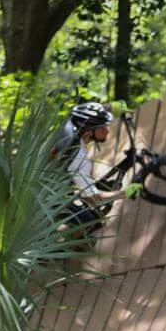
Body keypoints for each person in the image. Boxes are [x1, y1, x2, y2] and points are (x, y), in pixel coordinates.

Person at [52, 101, 116, 238]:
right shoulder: (77, 156)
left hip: (40, 189)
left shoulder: (67, 131)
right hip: (45, 200)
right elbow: (94, 198)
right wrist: (124, 193)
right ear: (88, 132)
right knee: (86, 219)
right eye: (102, 127)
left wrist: (112, 106)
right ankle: (58, 251)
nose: (107, 130)